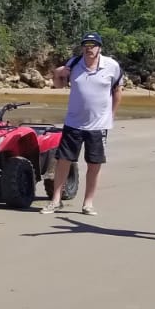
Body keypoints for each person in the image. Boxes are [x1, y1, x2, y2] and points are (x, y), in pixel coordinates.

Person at [43, 32, 122, 215]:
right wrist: (57, 73)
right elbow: (58, 85)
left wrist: (111, 116)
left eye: (93, 45)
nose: (89, 48)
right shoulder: (73, 63)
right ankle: (55, 201)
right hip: (73, 123)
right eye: (86, 44)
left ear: (99, 48)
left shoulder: (112, 66)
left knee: (94, 164)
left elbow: (118, 92)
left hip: (99, 125)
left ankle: (88, 203)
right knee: (63, 161)